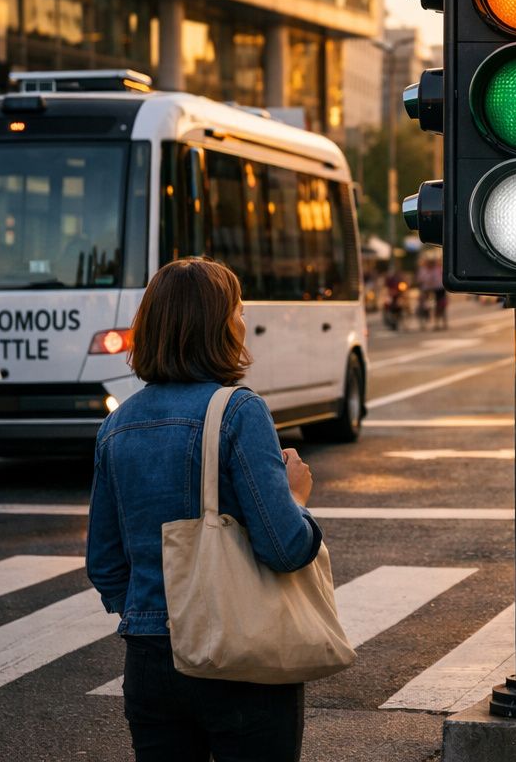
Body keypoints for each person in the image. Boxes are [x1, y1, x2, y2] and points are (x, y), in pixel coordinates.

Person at [86, 258, 321, 762]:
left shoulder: (117, 425)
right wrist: (296, 495)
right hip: (237, 657)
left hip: (149, 661)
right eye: (236, 311)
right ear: (219, 327)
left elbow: (104, 565)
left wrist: (151, 612)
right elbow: (285, 547)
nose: (242, 322)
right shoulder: (239, 411)